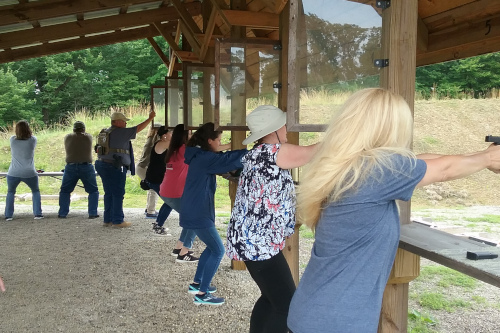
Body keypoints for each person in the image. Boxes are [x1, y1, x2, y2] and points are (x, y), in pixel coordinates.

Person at [287, 88, 500, 333]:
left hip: (314, 315)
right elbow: (443, 169)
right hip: (336, 323)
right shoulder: (377, 172)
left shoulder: (348, 168)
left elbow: (421, 161)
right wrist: (489, 159)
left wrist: (483, 156)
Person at [226, 105, 318, 333]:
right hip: (258, 245)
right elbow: (315, 152)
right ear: (275, 129)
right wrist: (348, 134)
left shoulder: (257, 154)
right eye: (284, 125)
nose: (287, 129)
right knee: (286, 305)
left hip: (252, 242)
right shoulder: (273, 152)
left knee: (271, 298)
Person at [180, 122, 247, 305]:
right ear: (210, 141)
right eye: (219, 140)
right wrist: (252, 153)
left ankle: (197, 284)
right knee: (218, 250)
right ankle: (202, 295)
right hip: (198, 212)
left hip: (195, 209)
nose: (220, 143)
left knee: (212, 248)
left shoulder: (199, 155)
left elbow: (223, 158)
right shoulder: (204, 158)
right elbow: (226, 160)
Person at [94, 110, 155, 228]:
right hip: (114, 166)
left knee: (109, 193)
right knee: (118, 193)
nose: (125, 124)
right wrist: (150, 119)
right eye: (123, 121)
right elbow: (137, 128)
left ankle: (108, 220)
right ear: (117, 122)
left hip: (102, 164)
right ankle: (118, 221)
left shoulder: (105, 132)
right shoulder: (120, 132)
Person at [159, 124, 199, 263]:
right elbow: (207, 152)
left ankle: (179, 248)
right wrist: (230, 145)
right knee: (196, 218)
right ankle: (184, 252)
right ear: (184, 136)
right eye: (189, 134)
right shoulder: (184, 149)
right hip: (175, 193)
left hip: (167, 191)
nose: (192, 136)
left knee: (190, 219)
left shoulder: (174, 148)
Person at [58, 121, 100, 219]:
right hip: (86, 166)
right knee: (93, 191)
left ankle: (62, 213)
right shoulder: (88, 137)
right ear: (84, 129)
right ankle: (92, 213)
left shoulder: (67, 137)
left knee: (65, 191)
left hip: (70, 166)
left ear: (73, 129)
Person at [4, 120, 43, 221]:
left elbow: (16, 136)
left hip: (13, 172)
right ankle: (37, 214)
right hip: (29, 172)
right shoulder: (32, 140)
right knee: (35, 191)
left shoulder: (12, 140)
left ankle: (8, 215)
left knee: (10, 192)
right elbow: (32, 136)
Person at [144, 126, 173, 236]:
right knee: (170, 201)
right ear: (164, 135)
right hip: (155, 179)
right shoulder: (162, 143)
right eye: (171, 133)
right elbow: (181, 146)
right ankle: (158, 225)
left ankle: (158, 224)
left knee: (170, 201)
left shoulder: (163, 143)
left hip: (157, 178)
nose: (173, 135)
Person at [136, 125, 161, 219]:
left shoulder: (150, 139)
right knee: (153, 188)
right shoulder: (154, 141)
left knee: (151, 187)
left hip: (141, 166)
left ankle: (149, 208)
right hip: (145, 167)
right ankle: (151, 211)